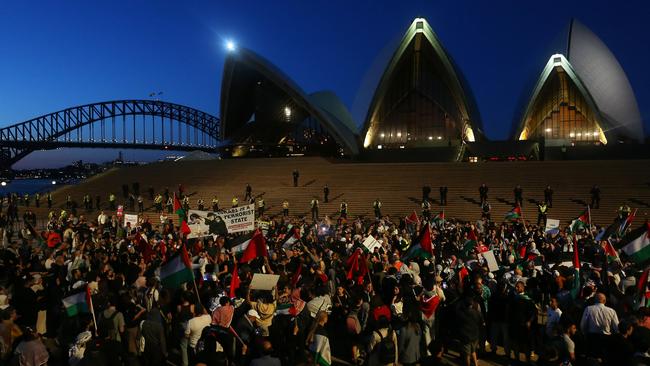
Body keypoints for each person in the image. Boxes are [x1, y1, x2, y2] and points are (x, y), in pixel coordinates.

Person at [455, 294, 482, 366]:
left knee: (467, 354)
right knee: (473, 351)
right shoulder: (476, 313)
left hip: (465, 337)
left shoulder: (461, 313)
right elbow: (481, 322)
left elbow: (456, 312)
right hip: (475, 335)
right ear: (471, 304)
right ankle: (476, 364)